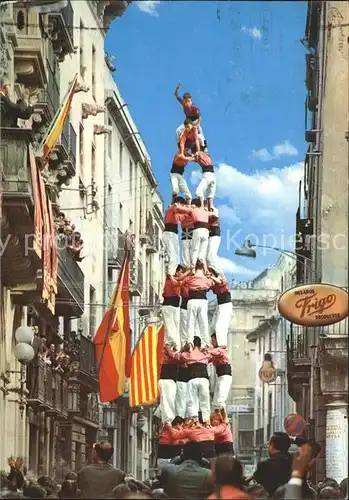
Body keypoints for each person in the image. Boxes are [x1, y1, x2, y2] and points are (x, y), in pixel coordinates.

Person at [166, 337, 219, 422]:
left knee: (192, 401)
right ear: (200, 344)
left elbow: (175, 356)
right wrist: (207, 350)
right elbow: (213, 356)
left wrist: (168, 349)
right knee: (205, 401)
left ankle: (194, 421)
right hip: (204, 380)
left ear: (191, 344)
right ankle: (206, 421)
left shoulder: (188, 354)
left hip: (192, 379)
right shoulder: (205, 354)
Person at [180, 262, 214, 347]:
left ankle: (190, 343)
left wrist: (192, 286)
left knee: (190, 323)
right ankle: (205, 344)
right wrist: (206, 272)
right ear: (202, 268)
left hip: (192, 301)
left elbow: (182, 283)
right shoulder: (206, 279)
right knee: (203, 323)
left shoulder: (190, 278)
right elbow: (212, 284)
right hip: (203, 301)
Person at [174, 200, 212, 273]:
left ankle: (189, 267)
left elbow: (179, 219)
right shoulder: (199, 211)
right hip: (191, 231)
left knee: (189, 250)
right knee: (192, 250)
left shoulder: (191, 211)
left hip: (190, 231)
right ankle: (191, 266)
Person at [252, 432, 294, 496]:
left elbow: (257, 479)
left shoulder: (265, 465)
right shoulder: (295, 462)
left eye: (269, 444)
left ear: (272, 444)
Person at [209, 271, 232, 347]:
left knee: (219, 326)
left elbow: (219, 281)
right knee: (212, 327)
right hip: (219, 305)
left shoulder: (222, 280)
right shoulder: (214, 283)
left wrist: (211, 277)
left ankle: (222, 344)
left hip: (226, 305)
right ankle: (215, 342)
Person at [211, 334, 232, 411]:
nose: (212, 343)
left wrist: (207, 350)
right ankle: (217, 418)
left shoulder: (221, 350)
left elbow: (213, 352)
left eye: (213, 341)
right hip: (220, 376)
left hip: (225, 376)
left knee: (220, 400)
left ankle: (224, 419)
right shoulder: (216, 351)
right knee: (215, 402)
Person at [161, 269, 181, 349]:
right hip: (168, 305)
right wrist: (189, 271)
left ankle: (174, 344)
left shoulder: (177, 280)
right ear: (176, 272)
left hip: (175, 306)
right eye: (180, 272)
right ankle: (171, 343)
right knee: (169, 326)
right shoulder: (171, 279)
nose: (181, 274)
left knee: (175, 325)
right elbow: (176, 281)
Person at [162, 198, 182, 276]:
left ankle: (171, 273)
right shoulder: (173, 208)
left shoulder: (172, 211)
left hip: (172, 233)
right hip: (170, 233)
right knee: (173, 256)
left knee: (175, 257)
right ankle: (171, 274)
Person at [158, 347, 178, 423]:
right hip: (168, 381)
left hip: (166, 381)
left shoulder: (171, 356)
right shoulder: (172, 357)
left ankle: (168, 420)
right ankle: (168, 421)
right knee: (168, 402)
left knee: (166, 402)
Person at [206, 205, 221, 271]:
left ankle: (220, 275)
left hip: (214, 235)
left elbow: (214, 217)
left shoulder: (214, 210)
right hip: (209, 236)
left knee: (210, 257)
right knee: (207, 258)